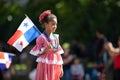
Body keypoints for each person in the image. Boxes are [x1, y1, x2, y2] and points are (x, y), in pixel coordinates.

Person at [30, 10, 64, 80]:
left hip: (54, 66)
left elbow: (58, 54)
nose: (55, 26)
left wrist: (61, 67)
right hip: (44, 66)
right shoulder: (41, 38)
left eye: (56, 24)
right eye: (53, 24)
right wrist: (46, 49)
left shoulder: (56, 37)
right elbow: (38, 54)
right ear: (46, 24)